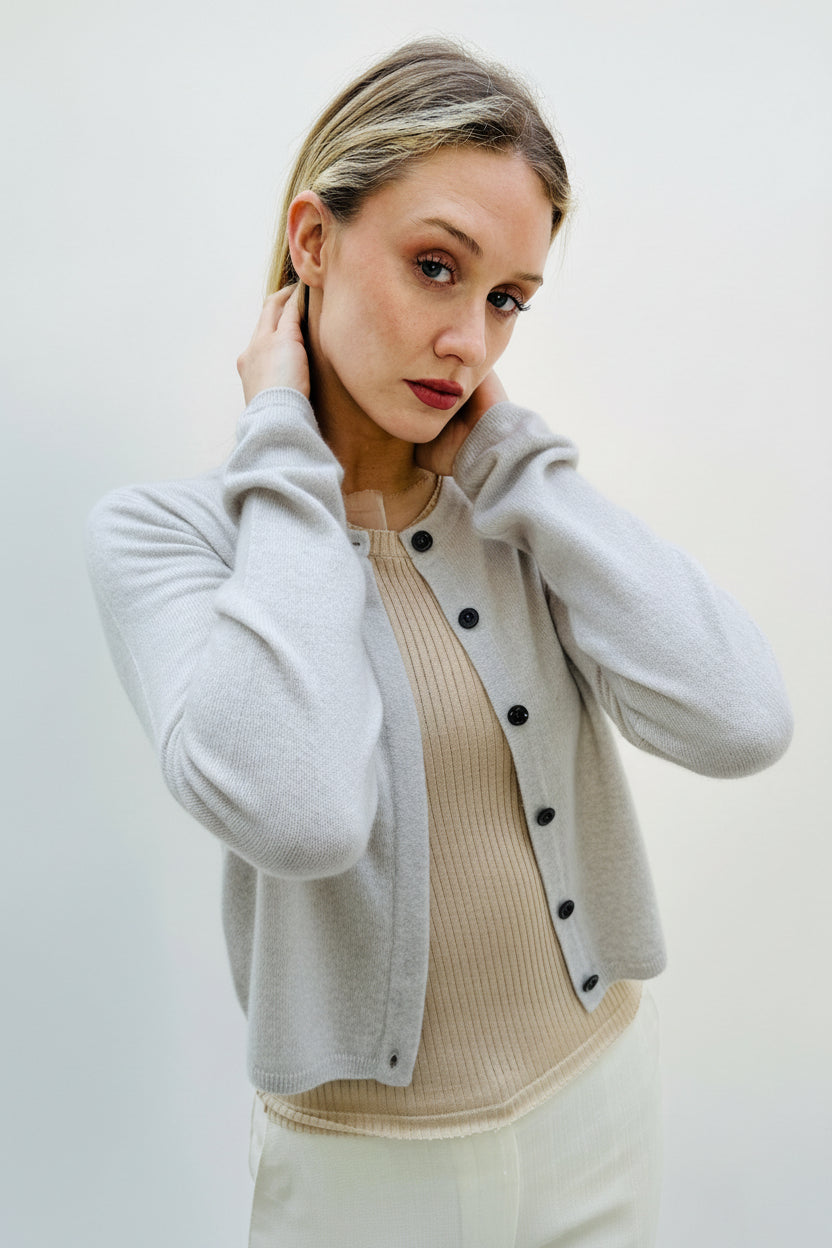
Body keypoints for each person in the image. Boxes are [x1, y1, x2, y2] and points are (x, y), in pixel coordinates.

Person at [84, 36, 793, 1248]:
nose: (470, 338)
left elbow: (742, 721)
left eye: (505, 299)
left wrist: (524, 470)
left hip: (599, 1105)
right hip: (369, 1175)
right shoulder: (167, 539)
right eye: (434, 268)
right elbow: (299, 806)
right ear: (314, 240)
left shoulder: (515, 512)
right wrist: (284, 446)